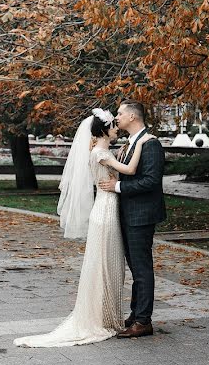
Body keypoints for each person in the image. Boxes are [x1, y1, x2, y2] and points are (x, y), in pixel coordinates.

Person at [14, 108, 139, 347]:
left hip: (107, 209)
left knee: (108, 266)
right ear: (104, 129)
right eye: (113, 125)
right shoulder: (101, 153)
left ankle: (107, 317)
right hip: (106, 211)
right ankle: (101, 319)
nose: (116, 128)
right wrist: (142, 145)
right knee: (105, 265)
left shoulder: (101, 151)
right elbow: (130, 170)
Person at [98, 100, 166, 338]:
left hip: (141, 215)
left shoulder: (151, 144)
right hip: (128, 214)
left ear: (133, 117)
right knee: (135, 267)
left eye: (120, 113)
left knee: (142, 267)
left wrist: (117, 186)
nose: (116, 117)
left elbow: (151, 181)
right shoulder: (130, 144)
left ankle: (143, 320)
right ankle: (136, 314)